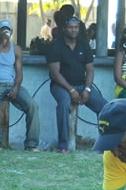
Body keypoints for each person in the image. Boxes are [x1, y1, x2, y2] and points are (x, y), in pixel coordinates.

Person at [46, 16, 108, 153]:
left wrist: (87, 89)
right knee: (64, 104)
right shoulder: (56, 45)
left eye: (76, 27)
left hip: (81, 85)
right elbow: (55, 73)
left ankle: (105, 145)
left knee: (105, 108)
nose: (73, 30)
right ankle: (63, 145)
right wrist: (71, 90)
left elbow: (90, 70)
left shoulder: (84, 45)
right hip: (61, 86)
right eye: (70, 27)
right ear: (64, 29)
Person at [0, 20, 40, 151]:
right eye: (2, 29)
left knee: (32, 105)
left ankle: (31, 144)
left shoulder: (17, 49)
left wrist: (16, 87)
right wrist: (1, 46)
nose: (5, 32)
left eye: (8, 30)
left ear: (11, 32)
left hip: (11, 84)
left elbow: (19, 73)